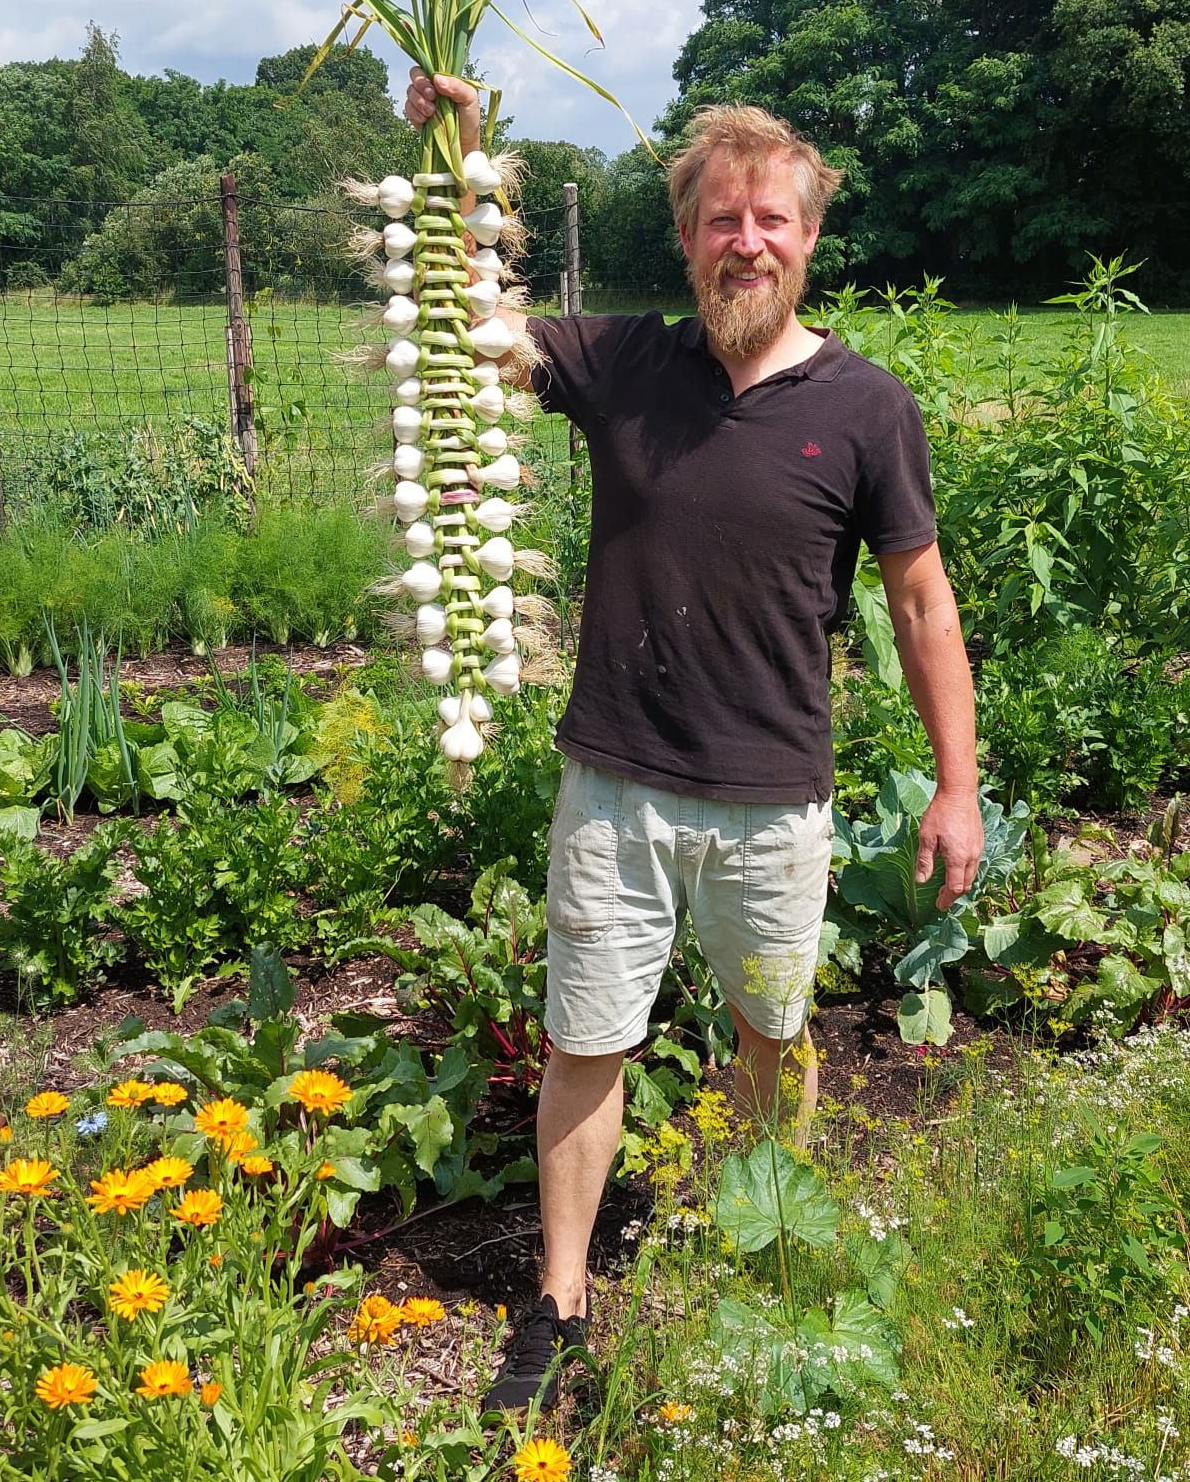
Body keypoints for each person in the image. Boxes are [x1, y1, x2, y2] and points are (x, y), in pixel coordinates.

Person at [403, 69, 983, 1413]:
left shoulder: (868, 406)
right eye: (723, 219)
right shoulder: (626, 363)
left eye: (771, 220)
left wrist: (958, 786)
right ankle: (557, 1308)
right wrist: (459, 149)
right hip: (618, 785)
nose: (748, 242)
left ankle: (762, 1255)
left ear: (809, 237)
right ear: (687, 236)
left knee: (773, 1036)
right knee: (586, 1044)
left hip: (777, 801)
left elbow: (918, 599)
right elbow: (467, 321)